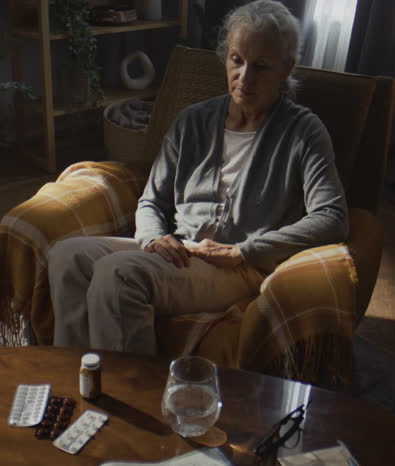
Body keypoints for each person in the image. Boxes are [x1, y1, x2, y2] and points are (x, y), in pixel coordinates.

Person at [48, 0, 348, 354]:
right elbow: (151, 200)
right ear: (225, 57)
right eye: (236, 60)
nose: (244, 77)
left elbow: (332, 218)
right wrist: (152, 238)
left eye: (261, 67)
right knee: (66, 256)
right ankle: (76, 380)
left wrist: (243, 251)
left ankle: (132, 398)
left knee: (118, 275)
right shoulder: (192, 121)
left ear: (286, 69)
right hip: (182, 251)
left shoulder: (304, 131)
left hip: (239, 267)